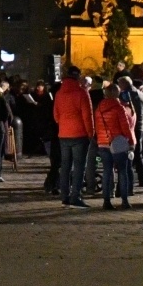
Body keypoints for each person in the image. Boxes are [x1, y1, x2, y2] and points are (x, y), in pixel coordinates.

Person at [54, 67, 94, 208]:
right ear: (78, 76)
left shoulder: (59, 93)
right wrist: (91, 133)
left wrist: (64, 124)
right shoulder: (82, 93)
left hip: (63, 134)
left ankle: (64, 196)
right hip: (79, 134)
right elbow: (87, 116)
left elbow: (56, 115)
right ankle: (75, 196)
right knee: (79, 166)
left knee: (65, 166)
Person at [95, 81, 136, 208]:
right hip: (118, 143)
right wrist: (131, 142)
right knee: (122, 172)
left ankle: (106, 201)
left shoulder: (98, 108)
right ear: (115, 93)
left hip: (102, 143)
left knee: (107, 171)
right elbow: (125, 127)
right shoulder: (119, 108)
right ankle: (124, 201)